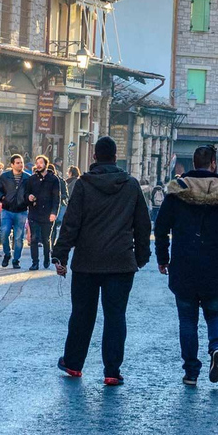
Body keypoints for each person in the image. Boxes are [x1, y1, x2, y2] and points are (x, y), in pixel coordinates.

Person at [54, 137, 152, 386]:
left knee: (82, 315)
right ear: (115, 156)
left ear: (94, 157)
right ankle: (112, 371)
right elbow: (142, 224)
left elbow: (71, 224)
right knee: (115, 315)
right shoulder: (130, 185)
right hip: (120, 262)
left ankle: (74, 364)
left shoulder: (84, 185)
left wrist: (61, 254)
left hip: (87, 262)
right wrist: (140, 257)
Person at [155, 146, 218, 386]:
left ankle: (190, 371)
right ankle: (217, 347)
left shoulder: (177, 191)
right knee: (216, 313)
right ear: (213, 164)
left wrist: (162, 257)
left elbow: (161, 226)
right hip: (217, 266)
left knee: (187, 320)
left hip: (184, 264)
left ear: (193, 163)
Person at [0, 154, 31, 269]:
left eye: (21, 163)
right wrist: (2, 198)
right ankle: (7, 254)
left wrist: (28, 199)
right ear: (12, 165)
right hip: (7, 210)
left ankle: (16, 260)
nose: (20, 165)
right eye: (18, 163)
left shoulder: (27, 177)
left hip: (21, 210)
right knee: (4, 232)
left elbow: (31, 191)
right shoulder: (5, 177)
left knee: (18, 237)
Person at [25, 155, 60, 271]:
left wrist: (54, 213)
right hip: (34, 212)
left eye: (41, 162)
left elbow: (56, 198)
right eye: (37, 163)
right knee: (34, 238)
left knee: (45, 238)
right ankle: (35, 262)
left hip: (47, 213)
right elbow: (26, 194)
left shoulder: (53, 179)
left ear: (46, 164)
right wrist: (28, 197)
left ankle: (46, 258)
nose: (39, 165)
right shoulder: (32, 179)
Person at [50, 163, 69, 248]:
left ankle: (52, 244)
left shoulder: (61, 181)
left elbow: (65, 195)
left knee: (54, 226)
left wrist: (59, 196)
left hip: (59, 205)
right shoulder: (41, 181)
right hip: (47, 207)